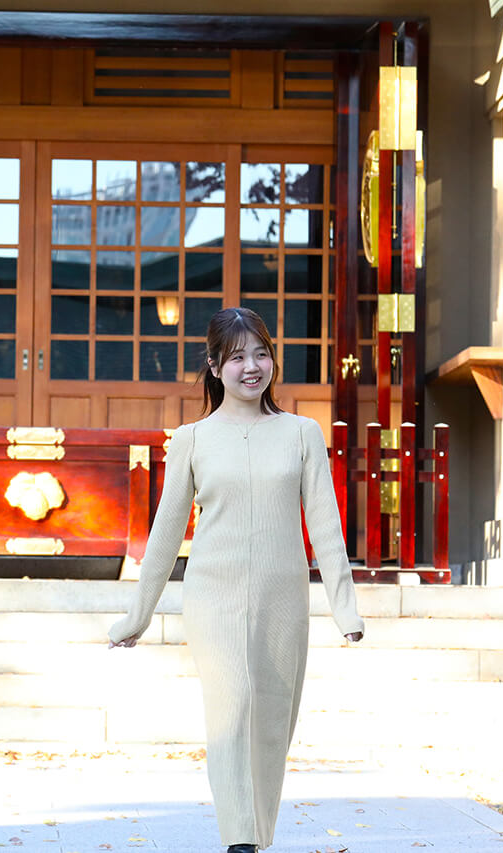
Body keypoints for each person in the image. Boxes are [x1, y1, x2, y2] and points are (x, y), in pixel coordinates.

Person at [108, 307, 364, 853]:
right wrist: (138, 614)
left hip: (282, 600)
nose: (252, 366)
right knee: (233, 706)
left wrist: (346, 610)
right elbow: (164, 535)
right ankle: (239, 841)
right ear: (214, 365)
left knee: (272, 720)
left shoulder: (301, 434)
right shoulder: (192, 440)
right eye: (238, 356)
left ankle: (256, 834)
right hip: (212, 599)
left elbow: (325, 524)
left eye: (261, 353)